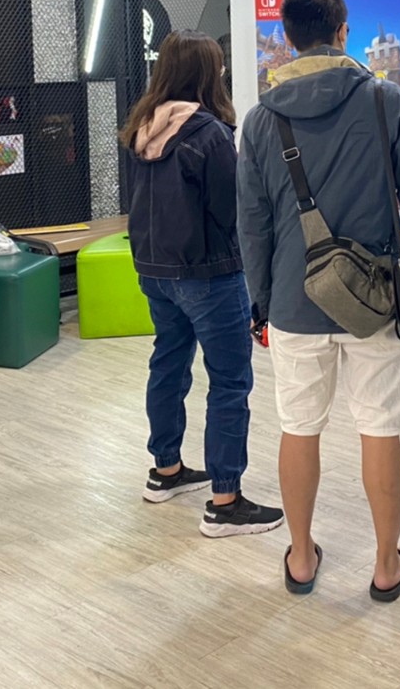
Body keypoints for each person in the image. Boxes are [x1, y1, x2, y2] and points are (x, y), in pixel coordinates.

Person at [237, 0, 400, 600]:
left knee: (299, 426)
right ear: (343, 32)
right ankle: (385, 565)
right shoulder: (386, 101)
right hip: (377, 301)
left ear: (288, 38)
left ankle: (301, 558)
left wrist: (262, 302)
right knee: (380, 427)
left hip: (294, 300)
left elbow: (252, 224)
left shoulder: (261, 119)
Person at [122, 31, 285, 538]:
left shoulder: (139, 127)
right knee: (230, 380)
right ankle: (225, 501)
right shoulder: (210, 134)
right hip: (209, 274)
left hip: (153, 271)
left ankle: (166, 470)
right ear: (207, 74)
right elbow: (231, 211)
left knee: (168, 363)